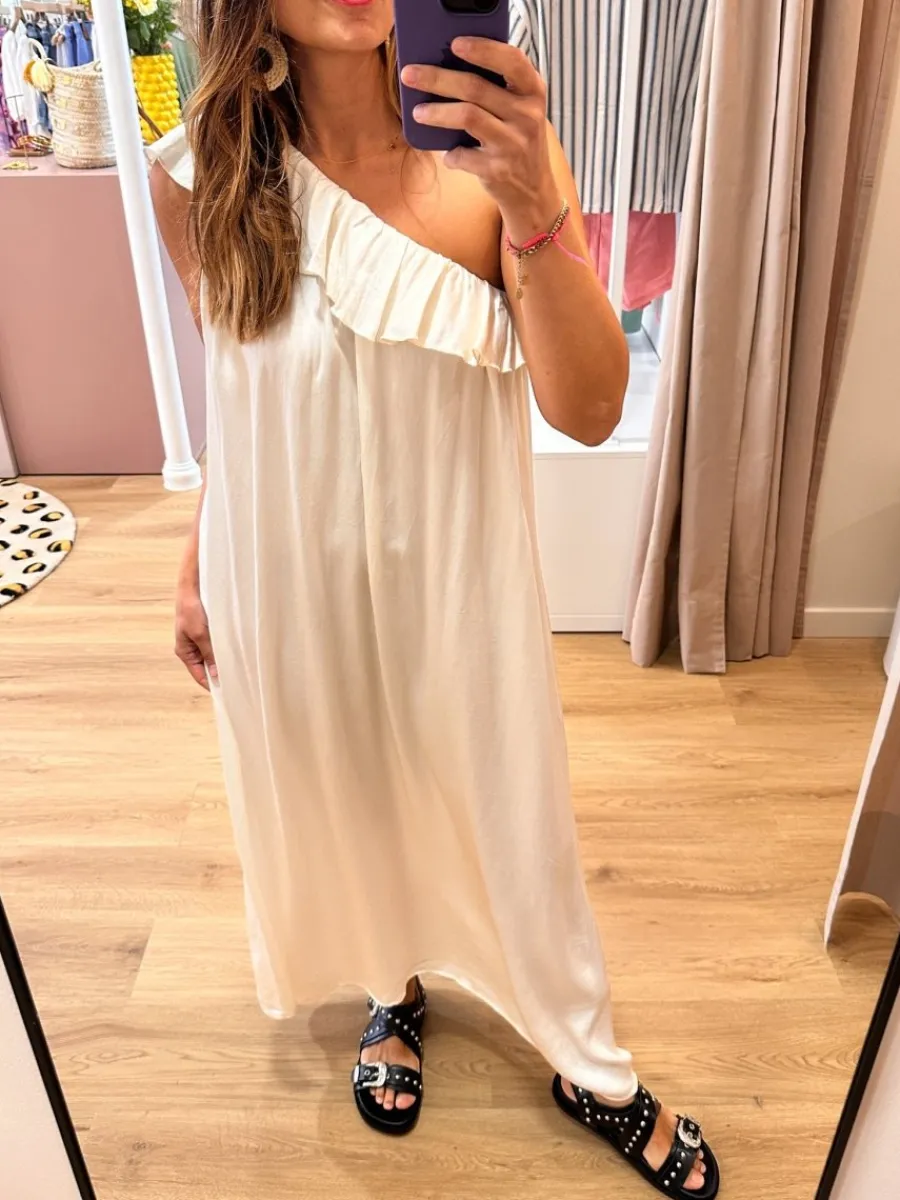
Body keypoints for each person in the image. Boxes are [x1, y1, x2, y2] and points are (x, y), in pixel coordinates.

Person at [150, 1, 719, 1195]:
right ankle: (390, 987)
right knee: (344, 787)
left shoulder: (493, 167)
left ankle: (587, 1062)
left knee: (511, 811)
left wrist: (535, 203)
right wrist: (200, 563)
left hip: (459, 582)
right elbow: (238, 395)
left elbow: (590, 409)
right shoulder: (201, 174)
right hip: (284, 578)